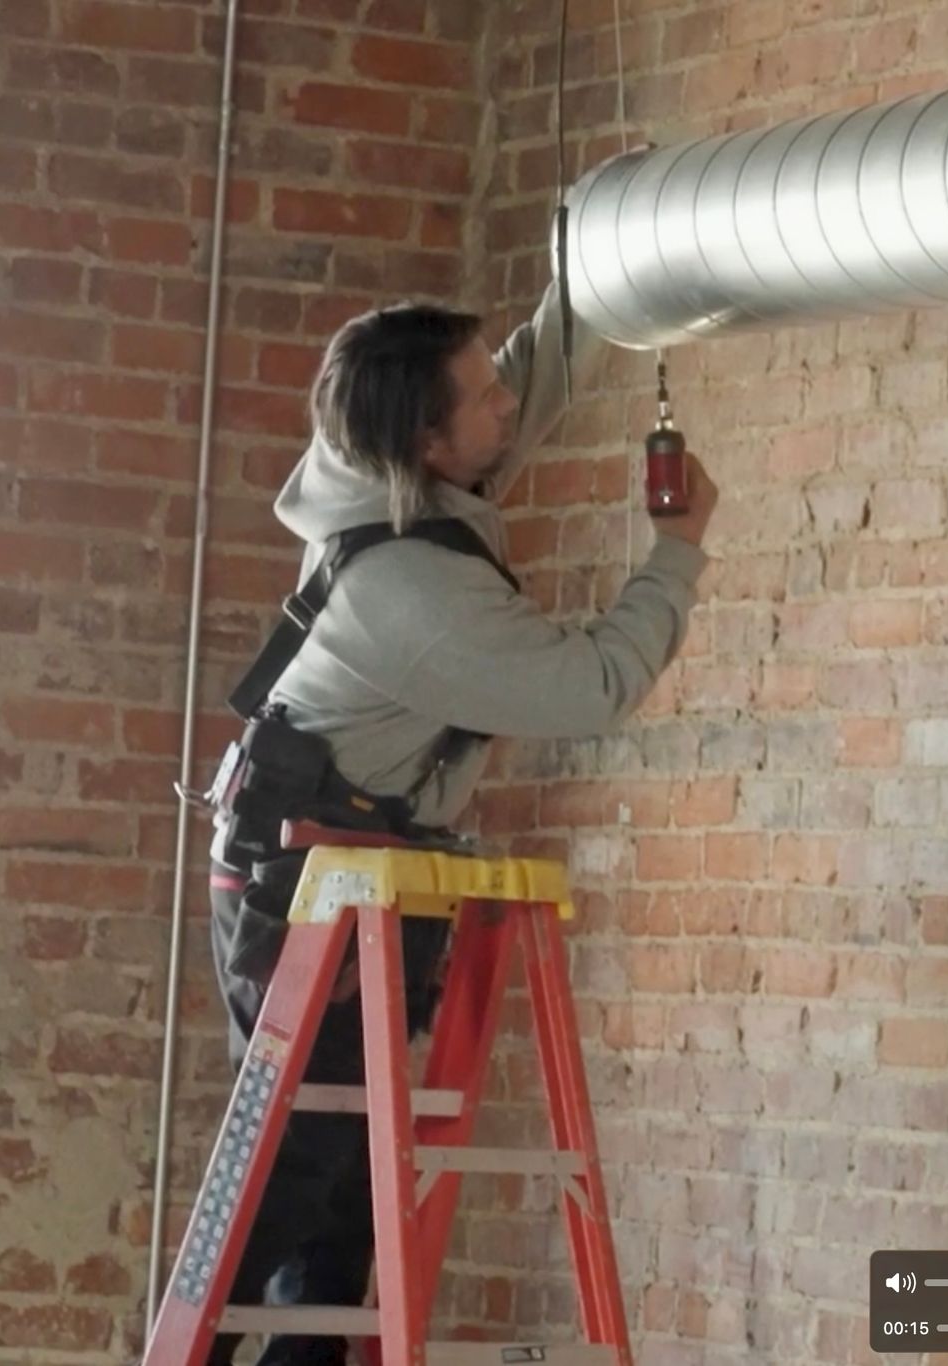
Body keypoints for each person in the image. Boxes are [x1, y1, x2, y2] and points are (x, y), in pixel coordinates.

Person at [203, 281, 714, 1366]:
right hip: (302, 882)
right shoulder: (413, 597)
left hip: (330, 851)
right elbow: (594, 684)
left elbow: (529, 375)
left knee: (336, 1189)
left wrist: (596, 257)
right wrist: (677, 546)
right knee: (304, 1176)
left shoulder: (382, 469)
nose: (506, 403)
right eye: (481, 397)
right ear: (430, 443)